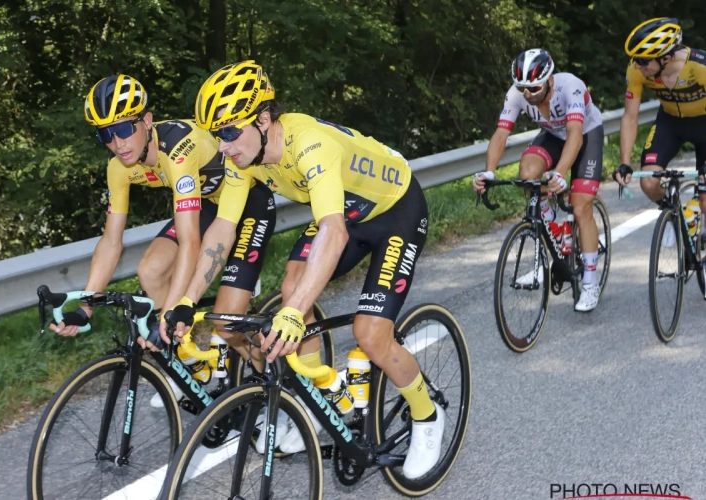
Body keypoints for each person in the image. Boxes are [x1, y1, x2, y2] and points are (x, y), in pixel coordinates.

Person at [163, 60, 443, 479]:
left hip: (395, 211)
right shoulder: (245, 159)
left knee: (370, 333)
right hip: (345, 211)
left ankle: (427, 416)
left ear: (262, 118)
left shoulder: (309, 143)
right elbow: (221, 231)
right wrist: (185, 301)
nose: (222, 146)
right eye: (215, 135)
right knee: (291, 288)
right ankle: (317, 402)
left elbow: (332, 230)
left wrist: (295, 312)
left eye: (227, 132)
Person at [49, 74, 275, 377]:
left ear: (147, 121)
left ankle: (270, 384)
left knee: (228, 323)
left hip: (249, 204)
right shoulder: (118, 169)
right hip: (209, 202)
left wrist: (168, 313)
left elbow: (190, 241)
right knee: (150, 270)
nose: (117, 143)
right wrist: (87, 305)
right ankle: (189, 357)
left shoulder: (176, 149)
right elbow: (111, 240)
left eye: (122, 128)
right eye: (105, 135)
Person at [472, 49, 605, 311]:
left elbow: (575, 136)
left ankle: (590, 281)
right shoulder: (516, 94)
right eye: (523, 89)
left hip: (586, 134)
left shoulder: (571, 87)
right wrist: (489, 171)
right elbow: (501, 135)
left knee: (580, 207)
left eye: (534, 88)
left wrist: (560, 172)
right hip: (553, 136)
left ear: (549, 80)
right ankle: (555, 234)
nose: (528, 95)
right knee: (528, 174)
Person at [614, 18, 706, 250]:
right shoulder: (638, 70)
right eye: (635, 59)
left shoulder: (699, 67)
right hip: (670, 124)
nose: (637, 66)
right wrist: (624, 162)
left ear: (666, 56)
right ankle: (678, 216)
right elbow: (630, 116)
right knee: (648, 183)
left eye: (643, 60)